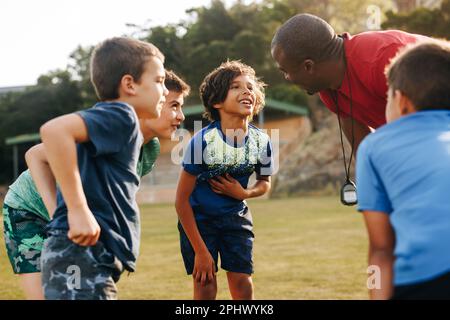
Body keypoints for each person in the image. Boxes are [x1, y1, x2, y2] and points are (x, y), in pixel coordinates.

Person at [1, 70, 189, 299]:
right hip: (27, 209)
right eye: (173, 105)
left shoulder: (150, 150)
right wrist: (60, 218)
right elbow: (35, 156)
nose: (180, 116)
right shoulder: (104, 129)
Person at [37, 36, 167, 300]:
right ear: (129, 84)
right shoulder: (122, 115)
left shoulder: (106, 124)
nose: (165, 91)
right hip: (81, 254)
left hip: (82, 255)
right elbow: (53, 130)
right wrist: (76, 210)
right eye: (159, 81)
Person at [356, 40, 450, 299]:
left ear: (401, 101)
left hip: (428, 280)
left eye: (387, 97)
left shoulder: (374, 146)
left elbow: (380, 251)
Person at [175, 60, 274, 300]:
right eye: (236, 87)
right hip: (200, 222)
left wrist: (244, 194)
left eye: (250, 87)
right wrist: (200, 251)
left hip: (236, 219)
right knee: (206, 283)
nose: (247, 91)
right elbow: (181, 201)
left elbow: (265, 183)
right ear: (217, 101)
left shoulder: (262, 141)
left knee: (242, 281)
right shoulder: (202, 141)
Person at [271, 13, 429, 151]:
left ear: (308, 66)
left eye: (285, 71)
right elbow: (365, 153)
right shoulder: (328, 88)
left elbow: (433, 129)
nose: (287, 79)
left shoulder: (384, 61)